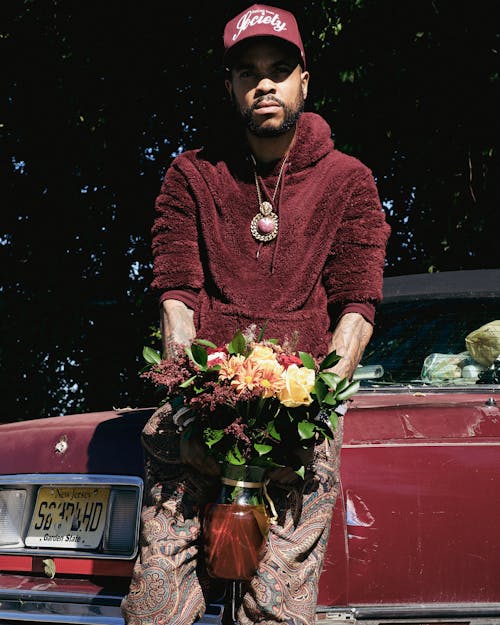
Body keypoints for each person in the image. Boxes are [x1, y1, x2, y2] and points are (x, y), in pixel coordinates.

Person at [121, 4, 390, 624]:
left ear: (304, 80)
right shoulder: (191, 174)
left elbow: (358, 301)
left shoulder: (349, 181)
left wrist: (319, 395)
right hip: (202, 404)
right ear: (230, 86)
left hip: (302, 415)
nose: (263, 82)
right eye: (247, 71)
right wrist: (192, 383)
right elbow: (177, 293)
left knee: (275, 607)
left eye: (278, 68)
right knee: (158, 594)